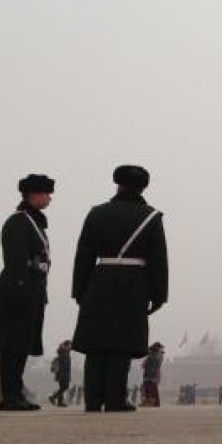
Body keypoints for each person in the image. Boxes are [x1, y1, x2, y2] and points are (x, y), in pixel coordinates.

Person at [71, 166, 168, 412]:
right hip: (134, 282)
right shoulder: (151, 217)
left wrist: (79, 289)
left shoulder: (97, 214)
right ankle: (115, 399)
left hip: (100, 278)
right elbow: (158, 260)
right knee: (121, 344)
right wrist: (159, 295)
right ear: (144, 187)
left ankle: (93, 400)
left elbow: (84, 255)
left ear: (117, 184)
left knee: (97, 342)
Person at [0, 174, 55, 411]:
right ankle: (4, 397)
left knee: (22, 344)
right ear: (33, 194)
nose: (50, 198)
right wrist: (22, 288)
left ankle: (16, 393)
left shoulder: (33, 222)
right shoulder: (18, 221)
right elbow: (15, 260)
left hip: (32, 289)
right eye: (46, 193)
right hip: (15, 289)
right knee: (7, 345)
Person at [48, 340, 72, 407]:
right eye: (69, 345)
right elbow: (65, 364)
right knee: (64, 387)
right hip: (62, 373)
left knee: (63, 387)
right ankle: (54, 398)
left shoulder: (65, 353)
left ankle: (58, 401)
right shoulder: (63, 353)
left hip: (64, 373)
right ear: (66, 345)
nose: (70, 347)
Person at [141, 342, 164, 407]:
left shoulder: (154, 357)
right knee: (152, 390)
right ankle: (154, 403)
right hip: (151, 376)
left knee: (150, 390)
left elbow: (154, 367)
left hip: (150, 376)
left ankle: (151, 403)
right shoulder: (155, 356)